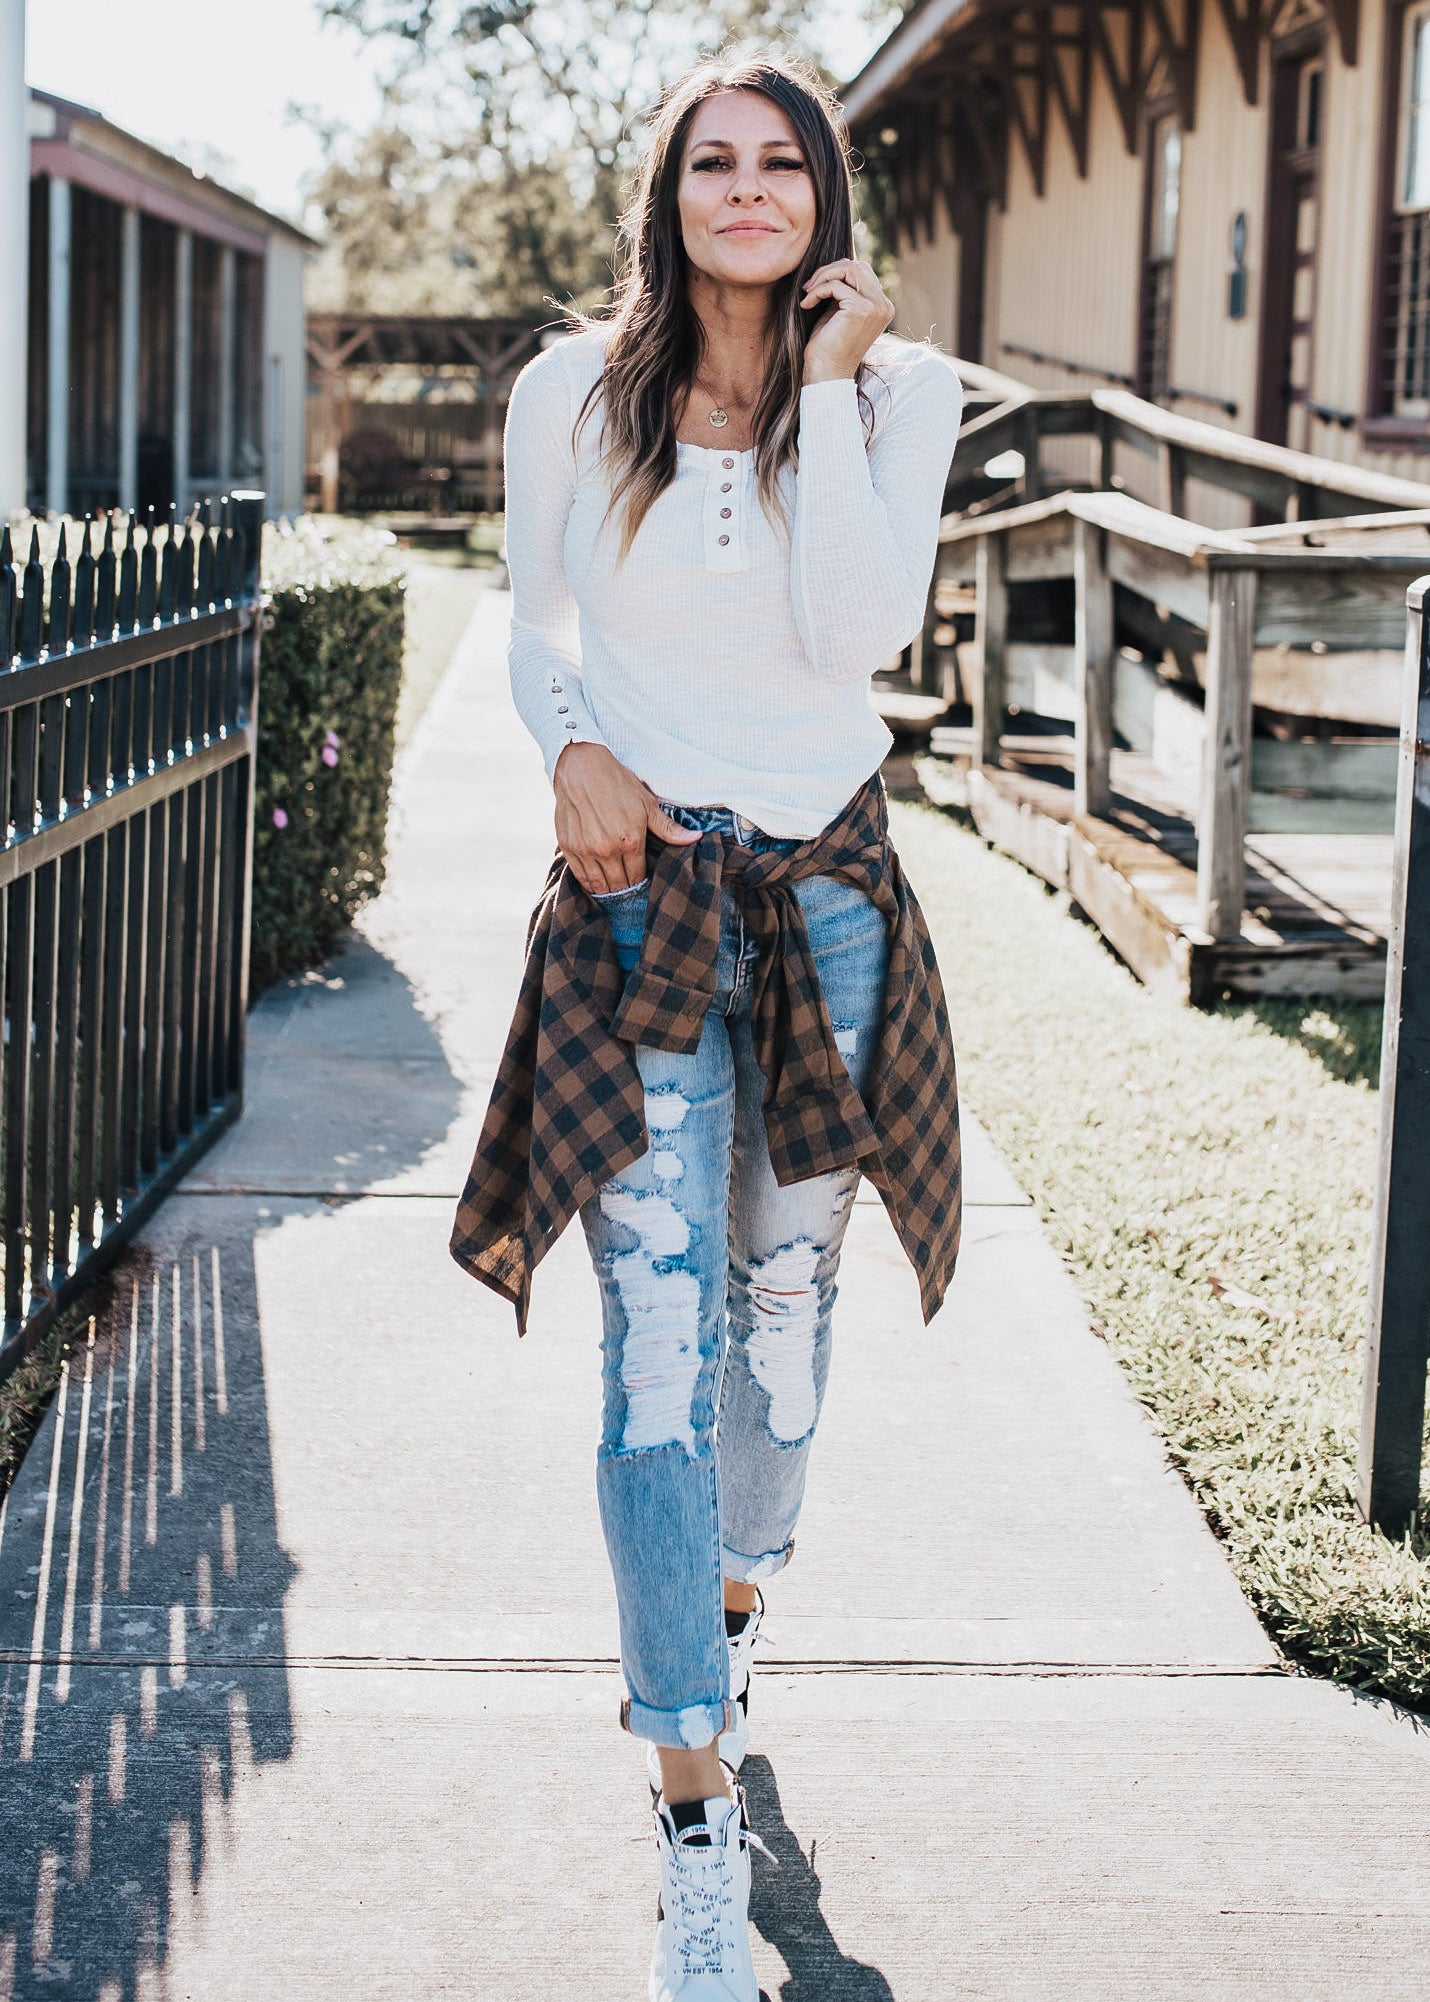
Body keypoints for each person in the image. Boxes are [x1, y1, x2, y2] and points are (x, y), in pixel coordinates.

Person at [449, 45, 965, 2002]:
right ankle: (687, 1801)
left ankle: (729, 1609)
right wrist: (572, 748)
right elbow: (531, 618)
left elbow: (854, 633)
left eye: (781, 162)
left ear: (824, 194)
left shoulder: (900, 394)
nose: (745, 188)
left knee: (785, 1322)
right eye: (710, 161)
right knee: (656, 1347)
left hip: (831, 897)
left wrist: (824, 386)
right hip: (640, 899)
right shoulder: (569, 390)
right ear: (667, 195)